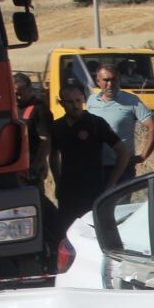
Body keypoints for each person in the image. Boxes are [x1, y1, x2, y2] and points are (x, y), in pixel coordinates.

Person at [50, 84, 131, 239]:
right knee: (67, 234)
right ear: (61, 103)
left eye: (78, 100)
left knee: (93, 234)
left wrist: (110, 185)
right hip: (68, 192)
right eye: (70, 102)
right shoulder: (57, 127)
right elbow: (53, 156)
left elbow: (123, 153)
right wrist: (58, 181)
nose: (75, 106)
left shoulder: (95, 124)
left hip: (93, 191)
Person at [14, 72, 59, 264]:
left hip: (30, 168)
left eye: (20, 93)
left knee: (37, 206)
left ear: (30, 90)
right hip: (15, 167)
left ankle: (47, 245)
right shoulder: (12, 108)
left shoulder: (39, 110)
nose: (17, 96)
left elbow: (45, 141)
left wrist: (37, 165)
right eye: (14, 93)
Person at [87, 63, 154, 183]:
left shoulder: (132, 101)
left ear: (119, 80)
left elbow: (153, 127)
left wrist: (143, 156)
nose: (110, 84)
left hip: (123, 168)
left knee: (121, 202)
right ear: (98, 81)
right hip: (95, 167)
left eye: (114, 79)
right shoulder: (91, 100)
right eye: (106, 80)